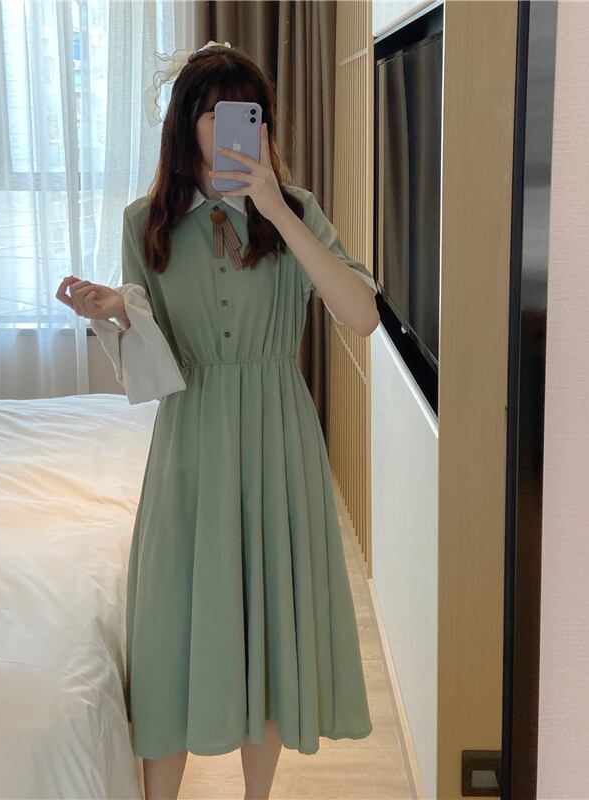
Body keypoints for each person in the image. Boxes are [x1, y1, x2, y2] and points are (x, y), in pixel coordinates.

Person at [57, 43, 378, 800]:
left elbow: (361, 315)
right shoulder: (146, 223)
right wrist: (120, 312)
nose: (235, 128)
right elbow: (156, 367)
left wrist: (277, 209)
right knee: (172, 627)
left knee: (264, 624)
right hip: (191, 440)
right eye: (214, 113)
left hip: (276, 437)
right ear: (185, 125)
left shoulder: (295, 212)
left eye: (249, 114)